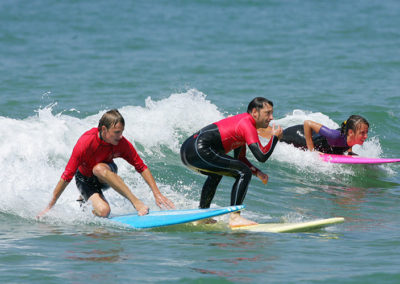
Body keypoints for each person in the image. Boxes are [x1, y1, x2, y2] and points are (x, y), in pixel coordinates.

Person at [38, 109, 174, 218]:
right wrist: (49, 207)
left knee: (98, 169)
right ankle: (88, 203)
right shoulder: (85, 144)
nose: (120, 136)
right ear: (104, 129)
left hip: (106, 174)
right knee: (104, 212)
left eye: (122, 132)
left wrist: (157, 193)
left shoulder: (121, 143)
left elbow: (141, 167)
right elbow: (66, 176)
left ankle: (136, 202)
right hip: (85, 180)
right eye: (117, 132)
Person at [180, 97, 283, 227]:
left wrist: (258, 173)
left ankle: (202, 215)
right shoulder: (247, 124)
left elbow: (240, 159)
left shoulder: (243, 124)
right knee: (243, 172)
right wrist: (274, 138)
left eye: (272, 113)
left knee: (217, 173)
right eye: (267, 113)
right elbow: (261, 156)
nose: (271, 117)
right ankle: (235, 217)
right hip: (198, 149)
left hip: (188, 150)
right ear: (255, 113)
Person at [263, 115, 369, 155]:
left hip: (314, 135)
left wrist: (350, 152)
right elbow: (308, 123)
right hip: (299, 136)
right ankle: (256, 127)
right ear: (351, 132)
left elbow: (347, 142)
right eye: (362, 133)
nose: (365, 136)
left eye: (366, 132)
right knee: (274, 136)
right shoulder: (334, 136)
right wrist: (312, 151)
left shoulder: (351, 138)